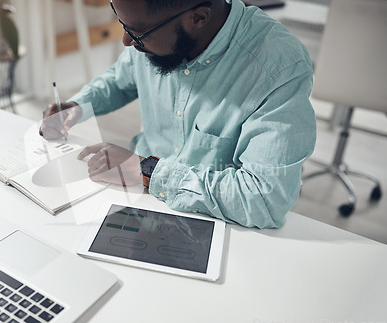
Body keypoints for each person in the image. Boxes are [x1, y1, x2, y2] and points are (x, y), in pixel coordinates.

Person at [39, 0, 316, 229]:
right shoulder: (151, 33)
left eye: (136, 33)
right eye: (122, 24)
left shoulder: (278, 66)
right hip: (139, 199)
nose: (126, 41)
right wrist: (77, 106)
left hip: (221, 223)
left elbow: (264, 199)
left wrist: (145, 170)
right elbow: (120, 79)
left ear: (197, 18)